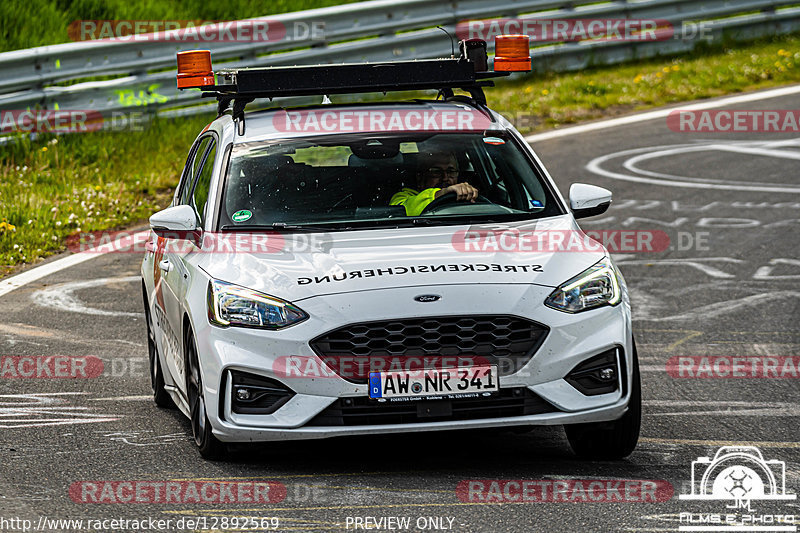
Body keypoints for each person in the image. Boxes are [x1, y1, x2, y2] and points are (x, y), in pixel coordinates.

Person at [390, 151, 479, 216]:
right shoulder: (402, 197)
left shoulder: (467, 195)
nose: (445, 178)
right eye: (436, 172)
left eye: (451, 171)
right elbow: (401, 210)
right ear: (420, 176)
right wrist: (443, 193)